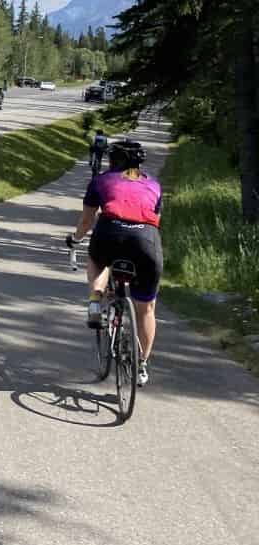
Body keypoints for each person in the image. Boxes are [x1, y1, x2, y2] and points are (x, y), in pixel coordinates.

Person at [66, 139, 163, 387]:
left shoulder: (101, 181)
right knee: (146, 309)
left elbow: (87, 222)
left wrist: (74, 239)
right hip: (146, 242)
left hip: (110, 234)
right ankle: (141, 365)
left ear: (113, 160)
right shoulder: (153, 184)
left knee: (98, 260)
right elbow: (155, 221)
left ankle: (96, 302)